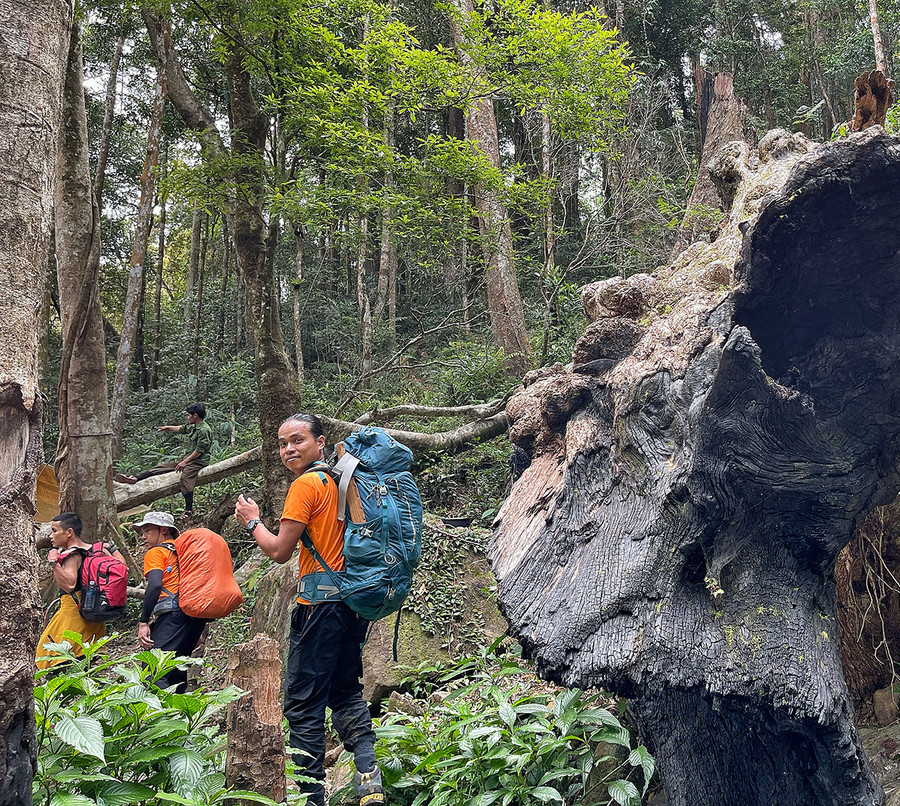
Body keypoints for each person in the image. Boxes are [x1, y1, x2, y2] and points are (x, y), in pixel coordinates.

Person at [234, 414, 383, 806]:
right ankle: (369, 777)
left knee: (302, 705)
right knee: (345, 691)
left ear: (320, 443)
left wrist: (252, 523)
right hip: (353, 604)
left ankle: (312, 797)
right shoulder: (345, 481)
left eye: (297, 440)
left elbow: (280, 551)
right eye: (283, 444)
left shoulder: (306, 485)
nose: (288, 450)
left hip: (318, 606)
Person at [36, 512, 124, 670]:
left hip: (73, 615)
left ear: (69, 532)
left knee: (49, 657)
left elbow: (69, 585)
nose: (51, 535)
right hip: (94, 614)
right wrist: (112, 547)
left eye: (54, 530)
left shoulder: (72, 554)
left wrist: (53, 563)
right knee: (86, 662)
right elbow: (123, 567)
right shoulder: (97, 550)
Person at [134, 511, 208, 693]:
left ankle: (164, 716)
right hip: (193, 618)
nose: (143, 537)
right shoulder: (184, 553)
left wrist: (143, 622)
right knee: (176, 670)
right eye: (142, 532)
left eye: (148, 530)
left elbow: (155, 585)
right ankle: (180, 716)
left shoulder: (156, 552)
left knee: (152, 671)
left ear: (164, 530)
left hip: (172, 615)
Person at [117, 403, 213, 519]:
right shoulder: (194, 426)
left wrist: (185, 462)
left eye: (189, 415)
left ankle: (189, 510)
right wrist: (168, 427)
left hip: (199, 461)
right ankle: (136, 478)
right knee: (163, 467)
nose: (188, 417)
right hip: (189, 459)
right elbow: (182, 428)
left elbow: (199, 451)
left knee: (185, 478)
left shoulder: (204, 430)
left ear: (195, 416)